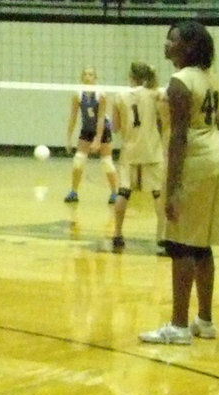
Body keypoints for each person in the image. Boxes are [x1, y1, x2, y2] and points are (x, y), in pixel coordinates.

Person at [139, 21, 219, 345]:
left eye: (172, 39)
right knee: (202, 244)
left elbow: (177, 139)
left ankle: (177, 326)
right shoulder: (214, 80)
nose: (166, 43)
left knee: (181, 245)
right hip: (215, 159)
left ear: (188, 47)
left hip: (192, 163)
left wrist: (172, 188)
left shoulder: (179, 82)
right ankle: (204, 320)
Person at [110, 62, 167, 252]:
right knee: (158, 193)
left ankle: (117, 234)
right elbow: (165, 120)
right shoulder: (156, 94)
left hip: (129, 151)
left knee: (124, 192)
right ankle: (162, 236)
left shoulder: (119, 97)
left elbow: (115, 128)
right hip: (152, 150)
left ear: (131, 76)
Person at [63, 66, 118, 204]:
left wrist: (98, 140)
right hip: (87, 129)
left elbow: (100, 118)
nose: (88, 76)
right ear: (82, 77)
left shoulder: (101, 95)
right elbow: (73, 117)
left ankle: (114, 193)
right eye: (86, 74)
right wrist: (69, 138)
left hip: (103, 128)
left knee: (107, 162)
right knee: (78, 161)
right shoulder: (78, 94)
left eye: (91, 74)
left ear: (95, 78)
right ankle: (74, 192)